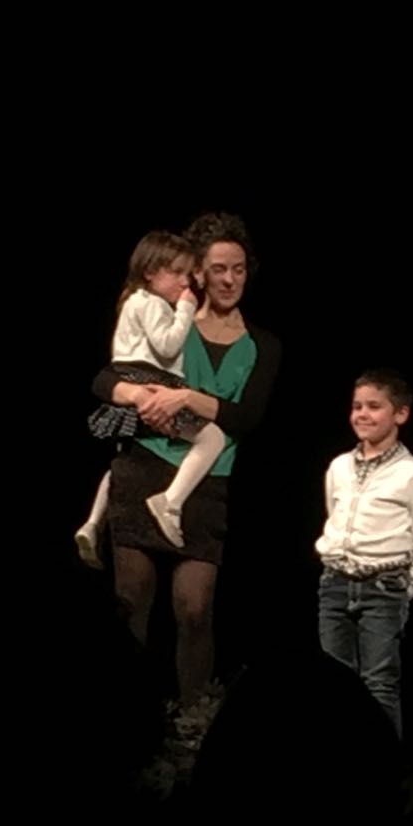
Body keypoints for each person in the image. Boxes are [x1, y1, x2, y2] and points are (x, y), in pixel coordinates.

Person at [90, 211, 282, 720]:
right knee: (130, 601)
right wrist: (135, 394)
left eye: (238, 269)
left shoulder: (262, 344)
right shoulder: (166, 317)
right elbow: (106, 377)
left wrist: (186, 399)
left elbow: (247, 416)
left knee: (194, 607)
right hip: (145, 464)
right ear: (198, 271)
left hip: (205, 479)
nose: (229, 280)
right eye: (218, 269)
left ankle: (193, 726)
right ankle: (126, 720)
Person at [75, 230, 226, 566]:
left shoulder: (131, 302)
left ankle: (93, 522)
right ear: (149, 272)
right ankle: (171, 502)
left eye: (188, 273)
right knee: (212, 438)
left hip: (127, 378)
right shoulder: (153, 303)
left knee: (125, 456)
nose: (184, 282)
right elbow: (167, 346)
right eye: (176, 272)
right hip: (150, 381)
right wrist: (185, 310)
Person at [315, 369, 413, 739]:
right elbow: (334, 514)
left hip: (384, 587)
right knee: (333, 680)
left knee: (378, 682)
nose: (362, 414)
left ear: (400, 414)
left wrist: (405, 589)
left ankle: (381, 763)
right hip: (335, 584)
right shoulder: (339, 466)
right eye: (357, 406)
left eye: (374, 406)